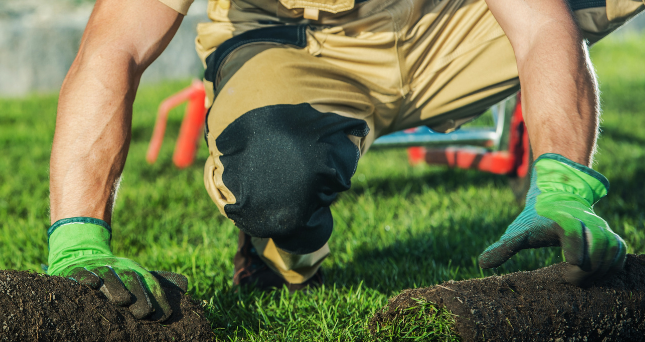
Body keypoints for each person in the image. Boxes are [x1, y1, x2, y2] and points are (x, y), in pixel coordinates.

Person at [46, 0, 639, 321]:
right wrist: (78, 234)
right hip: (299, 43)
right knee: (277, 179)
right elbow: (114, 47)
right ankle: (283, 248)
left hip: (446, 24)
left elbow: (537, 24)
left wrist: (562, 183)